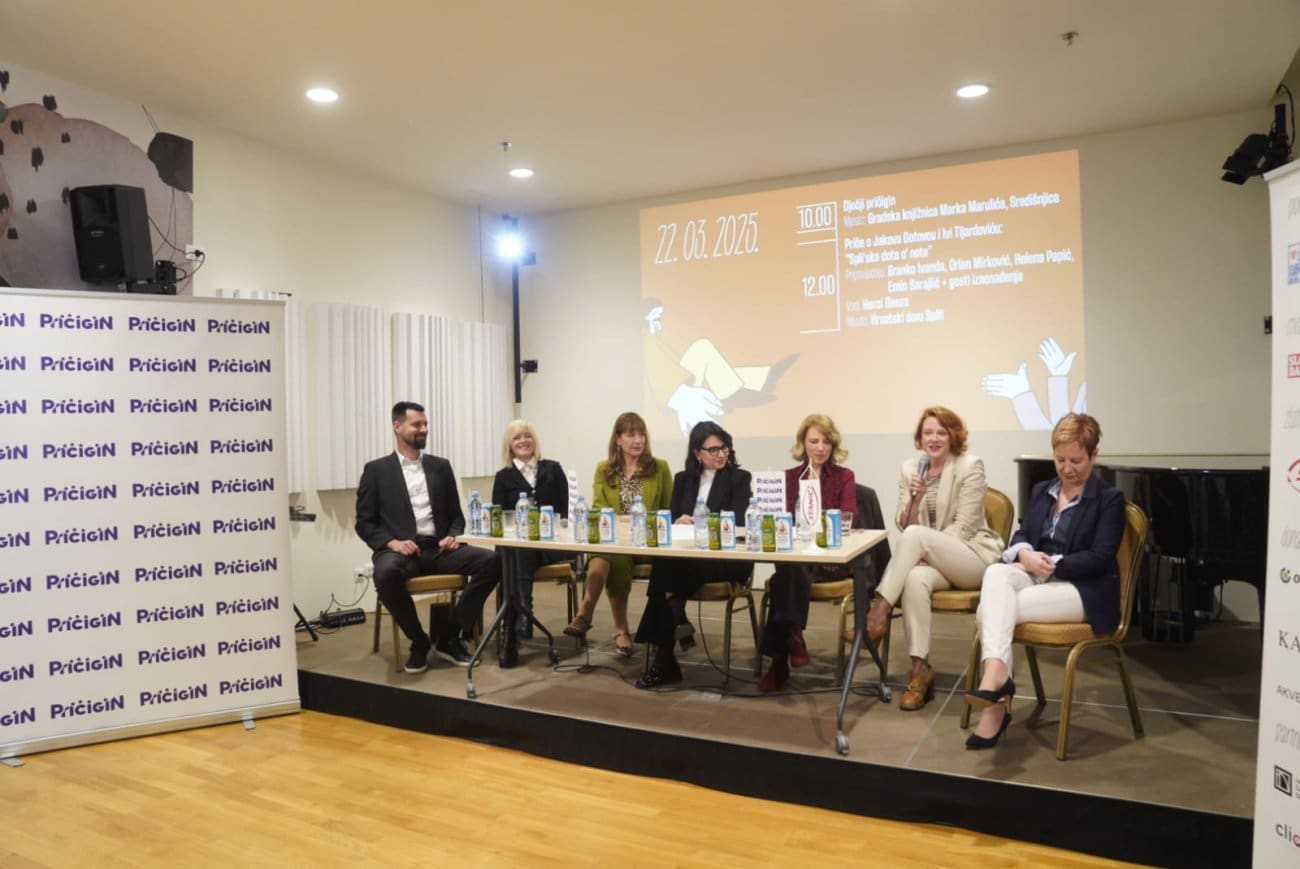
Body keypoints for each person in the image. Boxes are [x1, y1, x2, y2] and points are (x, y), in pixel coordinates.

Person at [964, 413, 1124, 749]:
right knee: (996, 573)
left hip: (1084, 590)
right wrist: (1023, 553)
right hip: (1038, 577)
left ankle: (995, 697)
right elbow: (1022, 533)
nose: (1067, 469)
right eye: (1060, 459)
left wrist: (1052, 564)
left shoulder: (1109, 499)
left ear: (1094, 455)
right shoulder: (1042, 490)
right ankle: (997, 679)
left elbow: (1100, 557)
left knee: (990, 611)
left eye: (1076, 461)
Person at [862, 406, 1003, 711]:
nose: (934, 438)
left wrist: (927, 550)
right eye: (928, 432)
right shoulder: (911, 469)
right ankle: (919, 671)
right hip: (931, 561)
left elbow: (964, 527)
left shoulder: (970, 465)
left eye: (941, 432)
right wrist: (916, 499)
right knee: (914, 577)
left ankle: (878, 612)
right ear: (919, 437)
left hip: (972, 558)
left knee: (916, 538)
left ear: (953, 436)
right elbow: (905, 523)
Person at [355, 401, 500, 673]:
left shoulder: (440, 467)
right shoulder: (376, 470)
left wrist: (454, 535)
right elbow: (365, 523)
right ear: (397, 426)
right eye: (416, 424)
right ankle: (418, 640)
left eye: (425, 424)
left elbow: (456, 516)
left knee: (492, 562)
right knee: (385, 574)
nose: (423, 429)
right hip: (400, 552)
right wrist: (392, 543)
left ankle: (450, 635)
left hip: (439, 549)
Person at [633, 421, 753, 688]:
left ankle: (666, 654)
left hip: (725, 558)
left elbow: (739, 521)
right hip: (688, 555)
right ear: (698, 453)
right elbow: (673, 517)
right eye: (713, 450)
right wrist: (679, 521)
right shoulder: (683, 479)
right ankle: (669, 646)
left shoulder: (739, 478)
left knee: (665, 575)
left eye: (724, 448)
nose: (721, 454)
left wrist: (704, 522)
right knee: (666, 569)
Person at [758, 413, 856, 692]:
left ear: (833, 444)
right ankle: (793, 637)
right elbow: (780, 520)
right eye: (814, 441)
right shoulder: (789, 477)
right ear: (803, 443)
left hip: (829, 561)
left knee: (782, 581)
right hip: (796, 559)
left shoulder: (844, 476)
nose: (820, 448)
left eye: (826, 442)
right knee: (788, 571)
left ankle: (780, 660)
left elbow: (848, 516)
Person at [565, 411, 673, 657]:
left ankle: (586, 613)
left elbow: (668, 509)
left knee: (610, 553)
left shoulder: (659, 468)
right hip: (614, 541)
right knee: (612, 553)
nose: (638, 440)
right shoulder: (604, 470)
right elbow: (598, 508)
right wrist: (617, 520)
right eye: (631, 435)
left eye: (641, 434)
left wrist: (636, 519)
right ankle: (619, 629)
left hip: (647, 543)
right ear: (618, 439)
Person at [491, 419, 569, 639]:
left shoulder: (553, 469)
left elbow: (566, 510)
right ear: (509, 444)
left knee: (515, 555)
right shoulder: (503, 477)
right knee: (518, 548)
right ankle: (524, 613)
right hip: (518, 547)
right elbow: (499, 518)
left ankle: (517, 619)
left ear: (535, 440)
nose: (523, 441)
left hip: (550, 545)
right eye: (517, 437)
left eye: (527, 436)